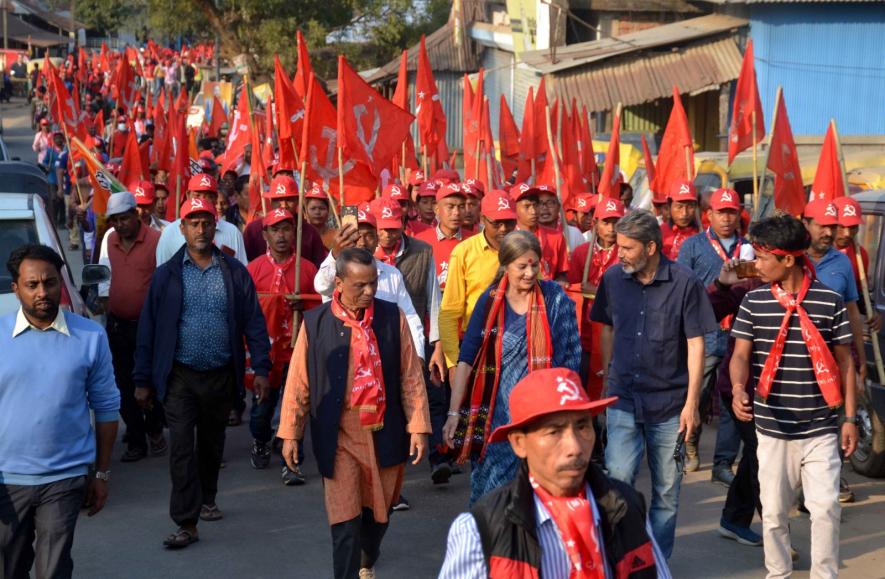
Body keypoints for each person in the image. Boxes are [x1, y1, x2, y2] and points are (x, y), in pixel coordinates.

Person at [278, 247, 431, 579]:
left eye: (373, 283)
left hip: (385, 430)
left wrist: (418, 425)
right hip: (340, 434)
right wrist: (291, 432)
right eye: (360, 285)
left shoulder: (392, 318)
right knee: (345, 521)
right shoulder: (315, 323)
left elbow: (410, 376)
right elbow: (299, 381)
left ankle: (368, 554)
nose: (369, 292)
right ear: (339, 282)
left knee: (379, 516)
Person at [439, 368, 672, 579]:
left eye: (582, 427)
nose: (574, 447)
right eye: (554, 432)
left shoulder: (626, 509)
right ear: (519, 443)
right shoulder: (480, 531)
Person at [134, 198, 271, 549]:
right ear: (181, 228)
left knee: (211, 445)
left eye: (205, 223)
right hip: (180, 376)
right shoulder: (167, 275)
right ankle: (185, 521)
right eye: (192, 223)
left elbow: (254, 321)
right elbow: (148, 328)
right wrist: (142, 380)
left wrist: (261, 367)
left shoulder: (233, 271)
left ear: (215, 226)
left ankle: (207, 497)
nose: (200, 229)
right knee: (181, 447)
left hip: (220, 375)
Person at [729, 214, 857, 579]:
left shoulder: (829, 302)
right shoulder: (753, 302)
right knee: (771, 514)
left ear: (788, 259)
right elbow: (740, 355)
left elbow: (846, 363)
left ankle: (824, 575)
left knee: (826, 509)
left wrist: (849, 419)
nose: (755, 264)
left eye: (763, 256)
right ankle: (778, 573)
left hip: (820, 427)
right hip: (770, 429)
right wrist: (739, 388)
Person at [590, 210, 717, 558]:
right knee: (616, 481)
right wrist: (605, 378)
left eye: (628, 248)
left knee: (667, 494)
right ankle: (619, 558)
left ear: (650, 247)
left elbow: (696, 344)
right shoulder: (613, 278)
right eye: (618, 246)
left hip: (670, 409)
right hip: (623, 400)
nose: (620, 254)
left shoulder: (685, 282)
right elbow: (607, 328)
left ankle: (656, 563)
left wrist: (692, 404)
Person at [0, 244, 120, 578]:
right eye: (32, 285)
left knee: (53, 571)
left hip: (64, 477)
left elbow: (107, 408)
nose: (42, 292)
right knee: (9, 568)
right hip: (7, 480)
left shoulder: (90, 336)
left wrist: (101, 474)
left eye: (50, 283)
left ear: (61, 283)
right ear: (16, 289)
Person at [442, 230, 581, 504]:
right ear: (505, 266)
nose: (530, 273)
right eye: (522, 266)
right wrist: (453, 413)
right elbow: (467, 360)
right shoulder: (490, 302)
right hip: (497, 419)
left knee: (541, 498)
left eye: (534, 265)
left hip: (542, 417)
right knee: (491, 498)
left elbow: (571, 360)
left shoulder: (555, 300)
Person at [372, 196, 449, 483]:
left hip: (417, 338)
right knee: (391, 406)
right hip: (379, 343)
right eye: (382, 228)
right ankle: (393, 473)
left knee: (433, 396)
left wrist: (438, 345)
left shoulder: (422, 252)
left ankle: (439, 458)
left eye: (393, 228)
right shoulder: (365, 255)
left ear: (404, 225)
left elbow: (433, 302)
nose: (387, 235)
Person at [676, 188, 746, 482]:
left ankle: (723, 463)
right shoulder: (692, 246)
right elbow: (681, 289)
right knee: (698, 393)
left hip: (739, 333)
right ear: (710, 214)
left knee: (732, 397)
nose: (727, 218)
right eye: (721, 212)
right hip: (705, 333)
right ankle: (691, 444)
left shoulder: (749, 247)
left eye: (732, 212)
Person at [246, 208, 318, 485]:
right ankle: (261, 440)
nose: (281, 235)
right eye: (275, 230)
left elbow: (321, 306)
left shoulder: (308, 269)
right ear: (265, 235)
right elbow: (245, 311)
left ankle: (292, 462)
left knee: (295, 406)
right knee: (262, 409)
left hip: (296, 350)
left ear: (295, 234)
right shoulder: (253, 270)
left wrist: (305, 302)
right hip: (264, 350)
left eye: (287, 229)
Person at [97, 192, 165, 463]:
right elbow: (104, 275)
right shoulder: (110, 240)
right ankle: (136, 439)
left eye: (124, 218)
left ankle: (155, 424)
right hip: (118, 326)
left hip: (150, 328)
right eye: (115, 220)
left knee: (154, 381)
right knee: (122, 383)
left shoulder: (156, 241)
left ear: (136, 215)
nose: (120, 225)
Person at [314, 206, 427, 364]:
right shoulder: (336, 269)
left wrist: (418, 355)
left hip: (381, 359)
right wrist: (335, 254)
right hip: (342, 357)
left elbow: (409, 317)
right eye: (356, 235)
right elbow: (321, 286)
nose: (362, 242)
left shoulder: (392, 274)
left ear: (377, 241)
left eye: (369, 236)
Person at [439, 190, 517, 372]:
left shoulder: (525, 248)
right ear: (482, 219)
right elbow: (449, 311)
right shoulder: (464, 252)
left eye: (509, 222)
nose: (504, 229)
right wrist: (453, 364)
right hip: (477, 345)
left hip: (517, 345)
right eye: (497, 223)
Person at [567, 197, 624, 400]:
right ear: (595, 223)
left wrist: (596, 290)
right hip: (585, 332)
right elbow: (573, 290)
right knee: (583, 385)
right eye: (606, 222)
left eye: (616, 222)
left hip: (616, 330)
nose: (611, 228)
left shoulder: (627, 252)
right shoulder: (582, 252)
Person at [155, 173, 247, 265]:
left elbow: (241, 271)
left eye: (208, 196)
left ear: (215, 199)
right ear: (188, 195)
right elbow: (163, 273)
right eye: (197, 195)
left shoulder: (233, 233)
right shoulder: (170, 233)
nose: (202, 201)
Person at [242, 174, 327, 266]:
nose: (283, 205)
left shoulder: (310, 233)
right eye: (278, 200)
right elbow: (243, 263)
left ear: (297, 200)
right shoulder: (254, 230)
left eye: (289, 199)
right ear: (270, 201)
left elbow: (320, 269)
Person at [415, 183, 472, 290]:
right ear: (436, 209)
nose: (456, 213)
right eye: (450, 207)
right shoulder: (420, 241)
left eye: (461, 207)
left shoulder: (474, 241)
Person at [510, 183, 569, 282]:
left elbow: (562, 273)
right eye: (527, 206)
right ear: (514, 208)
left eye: (535, 205)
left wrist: (559, 284)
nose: (533, 211)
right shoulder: (508, 239)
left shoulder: (556, 237)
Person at [660, 180, 700, 260]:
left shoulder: (705, 234)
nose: (684, 213)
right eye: (679, 207)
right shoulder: (658, 232)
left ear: (696, 207)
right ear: (669, 206)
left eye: (690, 207)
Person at [537, 184, 585, 250]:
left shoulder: (573, 233)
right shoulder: (527, 235)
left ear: (559, 206)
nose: (545, 207)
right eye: (539, 203)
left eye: (550, 203)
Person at [304, 183, 335, 250]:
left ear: (328, 211)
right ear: (305, 212)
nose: (317, 212)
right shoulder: (300, 237)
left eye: (321, 208)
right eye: (313, 208)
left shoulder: (337, 235)